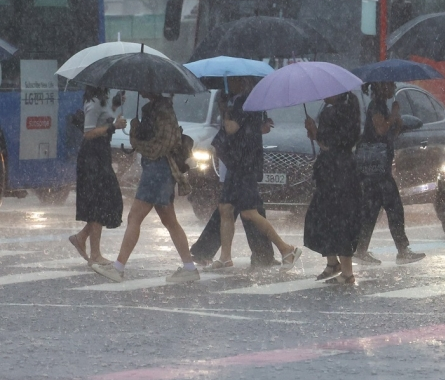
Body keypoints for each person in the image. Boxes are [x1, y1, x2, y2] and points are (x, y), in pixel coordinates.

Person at [91, 92, 199, 284]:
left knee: (135, 217)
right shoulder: (157, 109)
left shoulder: (161, 111)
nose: (141, 90)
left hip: (158, 170)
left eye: (146, 87)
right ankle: (189, 267)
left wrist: (135, 133)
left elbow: (159, 147)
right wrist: (136, 130)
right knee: (170, 221)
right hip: (160, 170)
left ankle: (118, 268)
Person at [211, 77, 301, 272]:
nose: (230, 82)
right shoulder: (245, 101)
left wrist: (225, 111)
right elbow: (254, 128)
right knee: (225, 208)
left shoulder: (243, 101)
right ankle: (225, 257)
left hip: (244, 165)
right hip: (237, 163)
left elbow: (231, 128)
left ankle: (286, 249)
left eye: (233, 79)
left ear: (243, 81)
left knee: (249, 212)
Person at [189, 88, 278, 269]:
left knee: (235, 209)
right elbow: (236, 128)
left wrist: (257, 126)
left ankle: (269, 253)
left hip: (241, 162)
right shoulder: (233, 98)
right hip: (239, 162)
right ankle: (267, 254)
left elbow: (238, 127)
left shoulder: (245, 99)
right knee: (238, 209)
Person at [353, 81, 426, 266]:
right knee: (393, 208)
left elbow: (388, 136)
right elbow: (381, 129)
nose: (393, 88)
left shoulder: (380, 105)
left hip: (379, 169)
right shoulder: (376, 105)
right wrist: (393, 116)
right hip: (377, 171)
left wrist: (397, 123)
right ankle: (401, 250)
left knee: (372, 210)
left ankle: (361, 249)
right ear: (380, 87)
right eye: (390, 85)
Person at [303, 91, 362, 285]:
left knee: (334, 220)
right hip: (344, 171)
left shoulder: (334, 112)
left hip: (334, 174)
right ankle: (333, 264)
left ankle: (346, 272)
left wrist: (315, 131)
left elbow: (329, 144)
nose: (322, 96)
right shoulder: (350, 107)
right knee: (330, 217)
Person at [69, 87, 126, 265]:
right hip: (92, 157)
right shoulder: (93, 103)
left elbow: (103, 120)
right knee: (98, 203)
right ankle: (95, 254)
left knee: (109, 201)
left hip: (101, 155)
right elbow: (88, 132)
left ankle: (81, 237)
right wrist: (113, 126)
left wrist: (115, 106)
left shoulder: (102, 100)